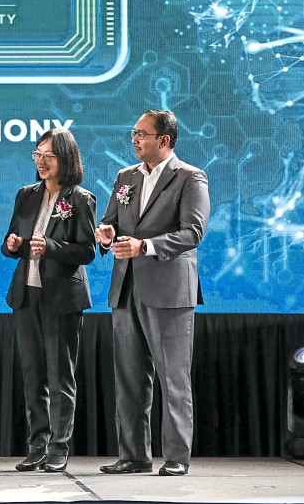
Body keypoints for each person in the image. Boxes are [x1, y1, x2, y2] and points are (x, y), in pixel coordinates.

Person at [95, 110, 209, 477]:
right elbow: (111, 218)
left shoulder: (190, 178)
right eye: (134, 133)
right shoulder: (125, 176)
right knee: (129, 379)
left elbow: (192, 233)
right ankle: (134, 455)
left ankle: (176, 457)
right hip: (126, 288)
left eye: (141, 134)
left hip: (169, 291)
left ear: (164, 140)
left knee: (172, 379)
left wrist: (145, 246)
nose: (134, 139)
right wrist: (106, 233)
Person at [1, 128, 95, 473]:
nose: (41, 162)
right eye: (37, 155)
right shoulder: (26, 195)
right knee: (32, 375)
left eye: (48, 156)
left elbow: (87, 251)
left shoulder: (81, 199)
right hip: (26, 295)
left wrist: (51, 247)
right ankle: (37, 444)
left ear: (65, 158)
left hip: (61, 299)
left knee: (60, 376)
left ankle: (59, 446)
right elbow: (12, 242)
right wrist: (12, 245)